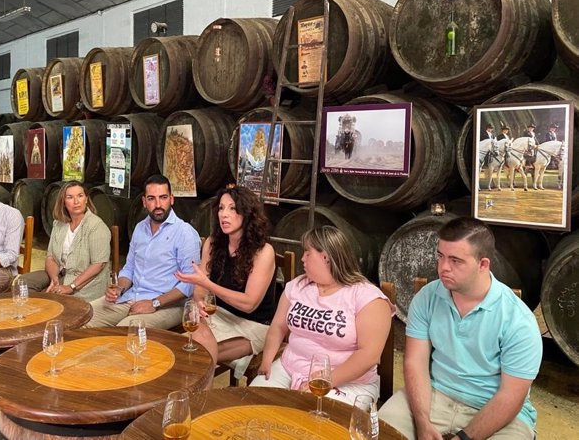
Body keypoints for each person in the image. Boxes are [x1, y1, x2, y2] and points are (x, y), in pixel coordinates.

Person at [379, 217, 542, 440]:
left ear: (483, 264)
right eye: (440, 256)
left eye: (455, 260)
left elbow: (510, 396)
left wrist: (464, 438)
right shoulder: (427, 297)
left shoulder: (518, 320)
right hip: (436, 394)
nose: (443, 267)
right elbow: (415, 362)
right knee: (378, 431)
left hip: (495, 408)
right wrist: (422, 421)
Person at [250, 225, 394, 405]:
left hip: (346, 382)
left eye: (307, 253)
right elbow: (278, 326)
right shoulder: (297, 285)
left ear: (325, 257)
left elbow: (369, 355)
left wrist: (325, 381)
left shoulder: (367, 297)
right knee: (252, 407)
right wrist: (267, 361)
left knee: (311, 426)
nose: (302, 258)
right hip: (289, 369)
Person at [175, 185, 276, 373]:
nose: (224, 214)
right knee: (192, 319)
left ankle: (196, 397)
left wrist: (207, 284)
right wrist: (199, 302)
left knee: (197, 355)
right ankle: (195, 395)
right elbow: (200, 290)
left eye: (232, 208)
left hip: (253, 325)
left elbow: (249, 303)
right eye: (221, 208)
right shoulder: (213, 243)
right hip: (219, 315)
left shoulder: (263, 252)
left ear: (247, 213)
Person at [87, 174, 200, 328]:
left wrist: (155, 303)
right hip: (131, 296)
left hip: (167, 304)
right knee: (84, 316)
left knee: (126, 333)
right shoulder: (140, 228)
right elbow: (129, 268)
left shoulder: (184, 233)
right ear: (144, 202)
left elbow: (190, 283)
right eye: (152, 198)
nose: (158, 204)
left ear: (172, 199)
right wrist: (119, 288)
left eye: (163, 197)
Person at [22, 181, 110, 302]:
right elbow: (51, 257)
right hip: (61, 274)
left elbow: (98, 264)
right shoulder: (58, 224)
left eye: (80, 196)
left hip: (84, 283)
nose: (76, 201)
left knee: (50, 303)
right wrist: (54, 279)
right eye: (70, 197)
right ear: (63, 202)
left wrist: (71, 286)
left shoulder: (96, 226)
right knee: (22, 284)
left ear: (86, 199)